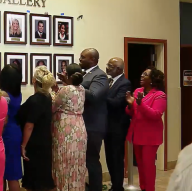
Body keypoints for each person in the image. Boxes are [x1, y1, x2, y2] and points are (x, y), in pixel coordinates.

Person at [58, 48, 108, 191]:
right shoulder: (85, 74)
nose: (79, 59)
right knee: (82, 161)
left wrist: (72, 85)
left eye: (83, 57)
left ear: (93, 59)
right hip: (82, 125)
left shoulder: (100, 76)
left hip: (93, 125)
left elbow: (93, 96)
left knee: (92, 160)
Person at [125, 67, 166, 191]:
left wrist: (139, 103)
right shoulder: (138, 91)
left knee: (148, 167)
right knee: (141, 167)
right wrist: (130, 105)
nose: (142, 76)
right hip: (136, 133)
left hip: (150, 136)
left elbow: (155, 115)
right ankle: (143, 188)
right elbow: (131, 112)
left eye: (145, 74)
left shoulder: (160, 95)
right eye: (142, 74)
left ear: (153, 79)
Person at [17, 66, 56, 191]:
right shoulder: (48, 97)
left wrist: (23, 146)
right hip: (45, 140)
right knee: (44, 176)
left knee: (34, 179)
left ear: (34, 80)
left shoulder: (34, 100)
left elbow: (29, 125)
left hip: (34, 143)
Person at [52, 63, 87, 191]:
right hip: (79, 126)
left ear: (68, 75)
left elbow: (54, 106)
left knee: (63, 162)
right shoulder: (82, 89)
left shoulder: (65, 89)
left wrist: (55, 91)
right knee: (77, 162)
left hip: (65, 127)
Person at [104, 58, 131, 191]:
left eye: (110, 66)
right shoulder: (109, 81)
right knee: (109, 157)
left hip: (117, 127)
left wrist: (101, 96)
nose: (107, 67)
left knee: (116, 158)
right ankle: (114, 185)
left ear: (119, 69)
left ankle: (118, 187)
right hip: (107, 125)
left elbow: (117, 103)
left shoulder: (124, 83)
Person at [0, 65, 23, 191]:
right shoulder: (17, 93)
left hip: (5, 133)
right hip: (15, 131)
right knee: (12, 173)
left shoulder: (3, 95)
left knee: (4, 174)